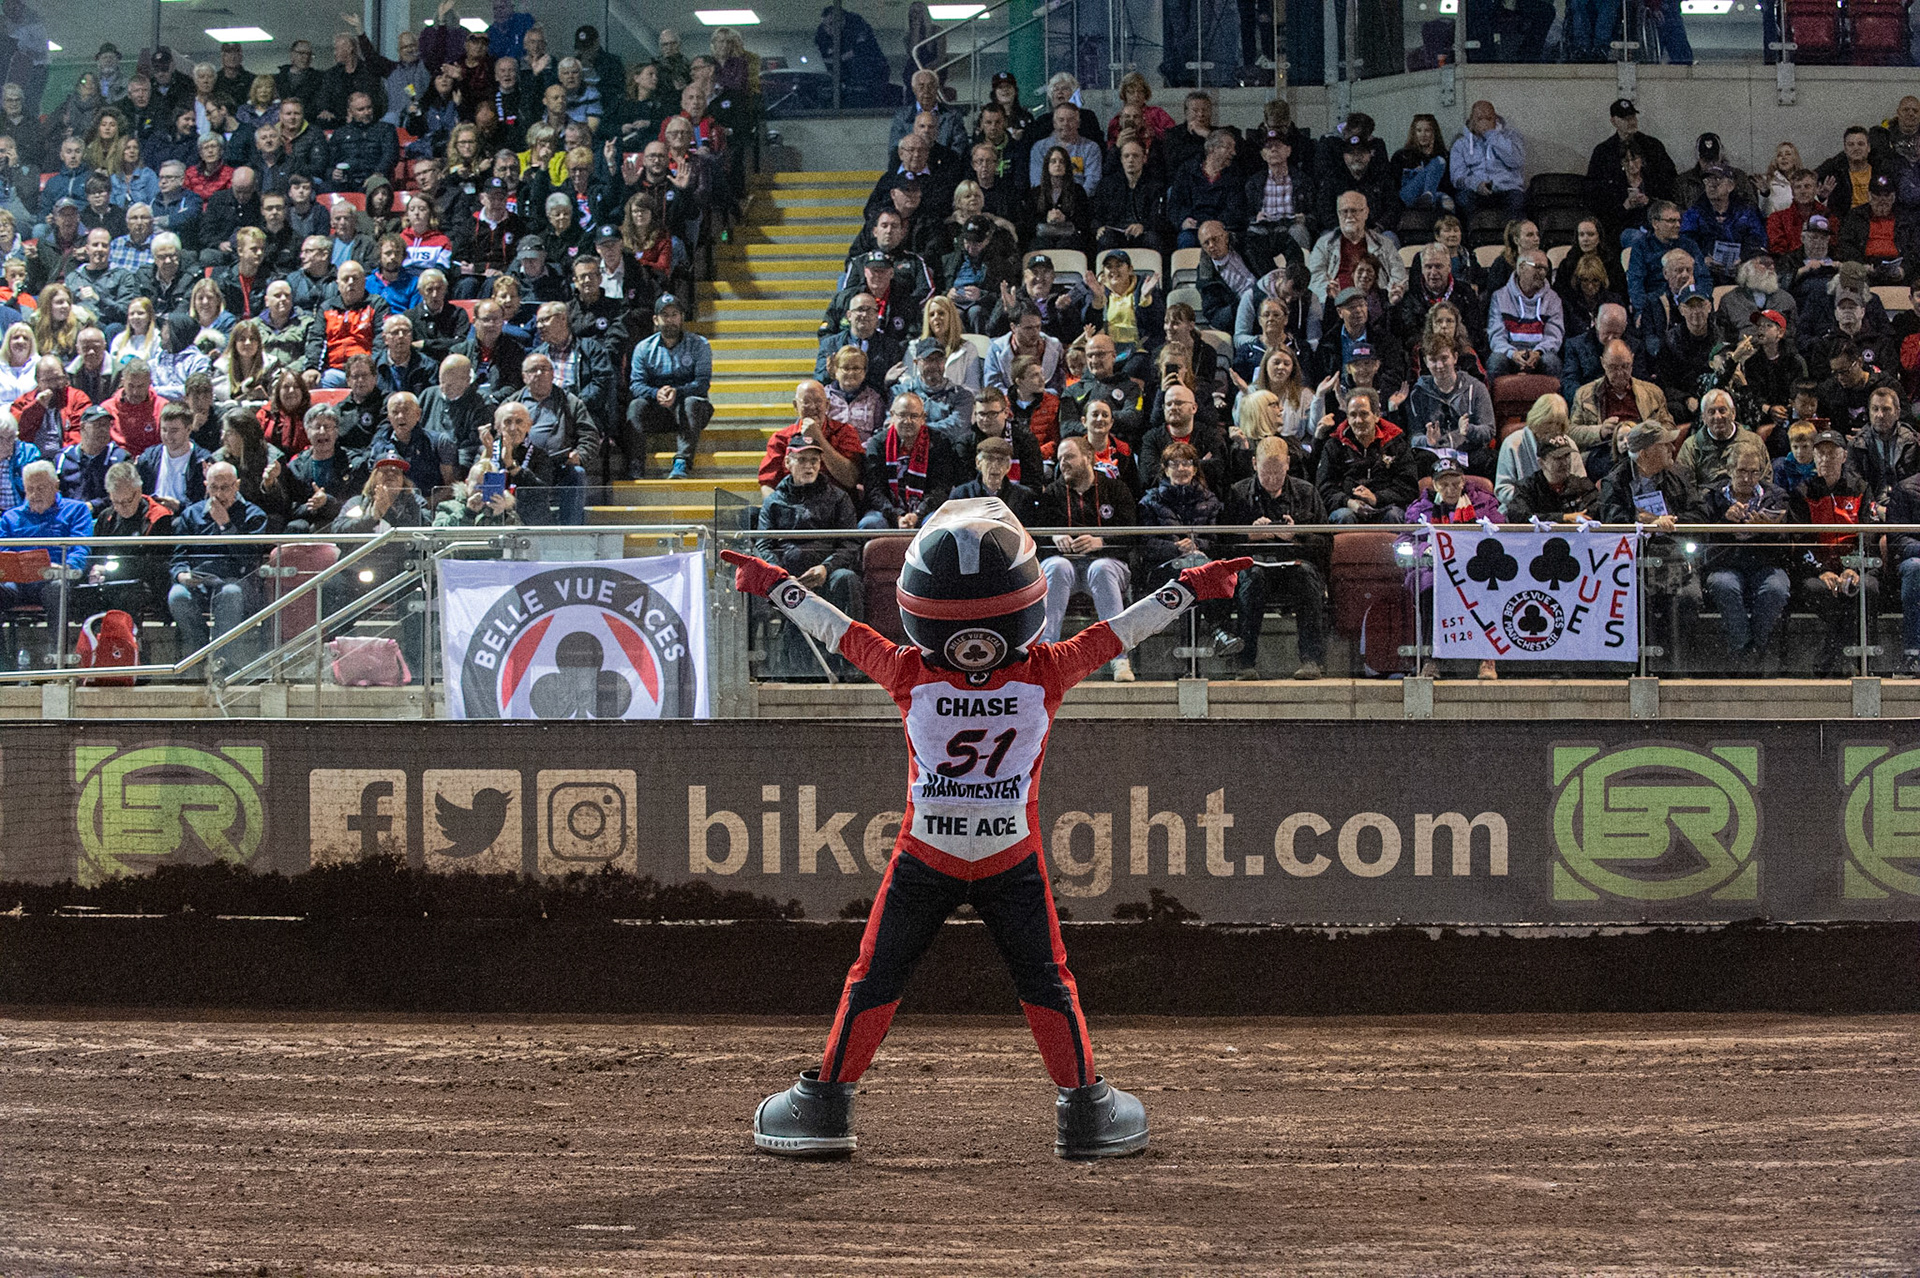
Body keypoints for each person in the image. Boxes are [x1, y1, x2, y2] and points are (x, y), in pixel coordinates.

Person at [733, 500, 1245, 1159]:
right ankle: (1086, 1112)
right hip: (1012, 857)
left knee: (874, 974)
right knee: (1048, 980)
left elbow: (838, 631)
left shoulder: (907, 670)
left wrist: (774, 583)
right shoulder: (1048, 670)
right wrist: (1193, 586)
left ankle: (825, 1105)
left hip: (925, 856)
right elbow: (1123, 630)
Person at [1220, 434, 1328, 680]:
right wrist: (1250, 536)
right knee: (1252, 578)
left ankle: (1312, 660)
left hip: (1294, 563)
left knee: (1307, 576)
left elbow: (1325, 543)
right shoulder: (1238, 494)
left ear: (1288, 464)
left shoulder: (1306, 492)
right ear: (1254, 464)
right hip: (1255, 564)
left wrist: (1296, 537)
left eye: (1277, 474)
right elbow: (1222, 544)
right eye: (1265, 474)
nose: (1271, 480)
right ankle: (1245, 663)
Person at [1039, 435, 1141, 680]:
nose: (1063, 463)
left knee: (1102, 568)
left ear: (1088, 457)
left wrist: (1101, 542)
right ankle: (1044, 653)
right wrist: (1053, 538)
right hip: (1068, 569)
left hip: (1109, 565)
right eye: (1060, 458)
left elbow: (1133, 535)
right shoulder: (1052, 493)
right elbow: (1035, 537)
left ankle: (1119, 658)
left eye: (1069, 457)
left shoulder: (1116, 489)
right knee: (1056, 566)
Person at [1789, 428, 1874, 676]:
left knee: (1867, 588)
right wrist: (1823, 571)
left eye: (1832, 453)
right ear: (1814, 458)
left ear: (1844, 456)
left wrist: (1854, 567)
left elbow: (1867, 533)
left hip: (1854, 567)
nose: (1825, 459)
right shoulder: (1802, 492)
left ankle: (1834, 656)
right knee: (1820, 590)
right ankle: (1842, 656)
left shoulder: (1860, 487)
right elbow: (1800, 540)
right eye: (1820, 454)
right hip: (1816, 570)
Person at [1700, 438, 1790, 666]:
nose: (1748, 479)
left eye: (1754, 472)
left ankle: (1755, 650)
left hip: (1765, 564)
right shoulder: (1711, 497)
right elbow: (1702, 540)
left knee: (1776, 588)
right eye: (1741, 472)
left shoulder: (1777, 496)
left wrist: (1768, 529)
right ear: (1729, 470)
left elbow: (1789, 542)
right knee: (1724, 586)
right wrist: (1724, 522)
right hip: (1725, 564)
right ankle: (1743, 649)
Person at [166, 459, 268, 660]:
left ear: (236, 486)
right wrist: (181, 574)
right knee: (177, 595)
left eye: (225, 488)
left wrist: (225, 525)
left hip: (235, 579)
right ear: (206, 486)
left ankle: (222, 661)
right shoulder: (191, 514)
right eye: (214, 488)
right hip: (198, 579)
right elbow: (177, 555)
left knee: (230, 593)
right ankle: (200, 654)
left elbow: (250, 557)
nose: (219, 494)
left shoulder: (254, 515)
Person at [624, 294, 710, 480]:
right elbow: (636, 384)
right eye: (665, 315)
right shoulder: (643, 348)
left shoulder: (699, 344)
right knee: (635, 406)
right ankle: (636, 464)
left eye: (674, 314)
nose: (670, 320)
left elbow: (702, 384)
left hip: (691, 412)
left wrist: (676, 392)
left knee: (691, 402)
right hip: (658, 410)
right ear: (656, 319)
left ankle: (682, 461)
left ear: (682, 317)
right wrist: (657, 393)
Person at [1316, 385, 1416, 524]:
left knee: (1394, 515)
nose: (1358, 421)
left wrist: (1376, 498)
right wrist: (1348, 501)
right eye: (1353, 415)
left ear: (1376, 415)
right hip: (1348, 508)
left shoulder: (1396, 444)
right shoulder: (1334, 445)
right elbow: (1324, 488)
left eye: (1364, 414)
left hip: (1385, 506)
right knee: (1344, 516)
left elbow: (1408, 487)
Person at [1448, 100, 1525, 221]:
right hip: (1475, 190)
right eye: (1479, 119)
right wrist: (1476, 184)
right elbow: (1457, 177)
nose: (1484, 123)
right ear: (1472, 121)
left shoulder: (1511, 136)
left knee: (1517, 200)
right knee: (1463, 199)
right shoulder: (1460, 144)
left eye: (1488, 118)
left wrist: (1492, 135)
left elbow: (1516, 161)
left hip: (1506, 189)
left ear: (1496, 119)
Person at [1503, 435, 1599, 522]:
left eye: (1567, 456)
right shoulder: (1526, 488)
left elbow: (1593, 513)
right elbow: (1519, 517)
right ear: (1541, 462)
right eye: (1558, 458)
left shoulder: (1583, 485)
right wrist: (1563, 518)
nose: (1565, 462)